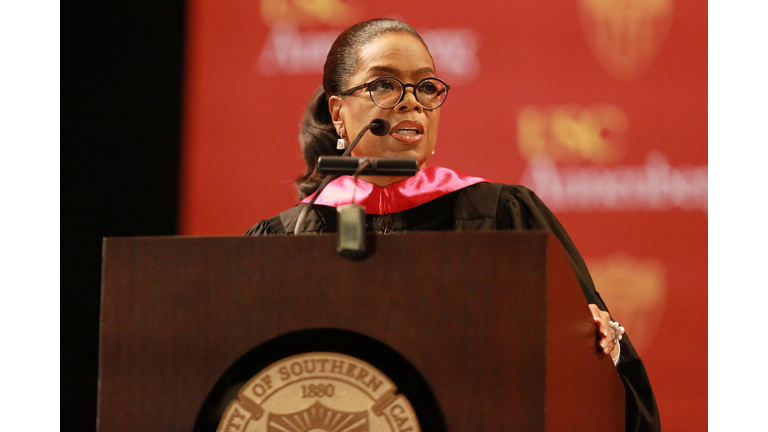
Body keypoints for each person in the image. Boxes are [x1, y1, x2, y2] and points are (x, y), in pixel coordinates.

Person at [246, 18, 661, 432]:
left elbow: (600, 380)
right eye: (385, 85)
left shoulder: (503, 217)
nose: (411, 102)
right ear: (338, 112)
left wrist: (592, 343)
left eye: (426, 87)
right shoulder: (287, 238)